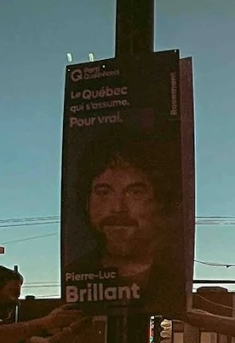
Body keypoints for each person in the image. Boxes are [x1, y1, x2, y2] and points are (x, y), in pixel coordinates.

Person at [62, 128, 182, 310]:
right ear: (86, 201)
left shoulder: (175, 279)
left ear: (160, 201)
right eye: (104, 192)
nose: (118, 208)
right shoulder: (76, 274)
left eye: (135, 192)